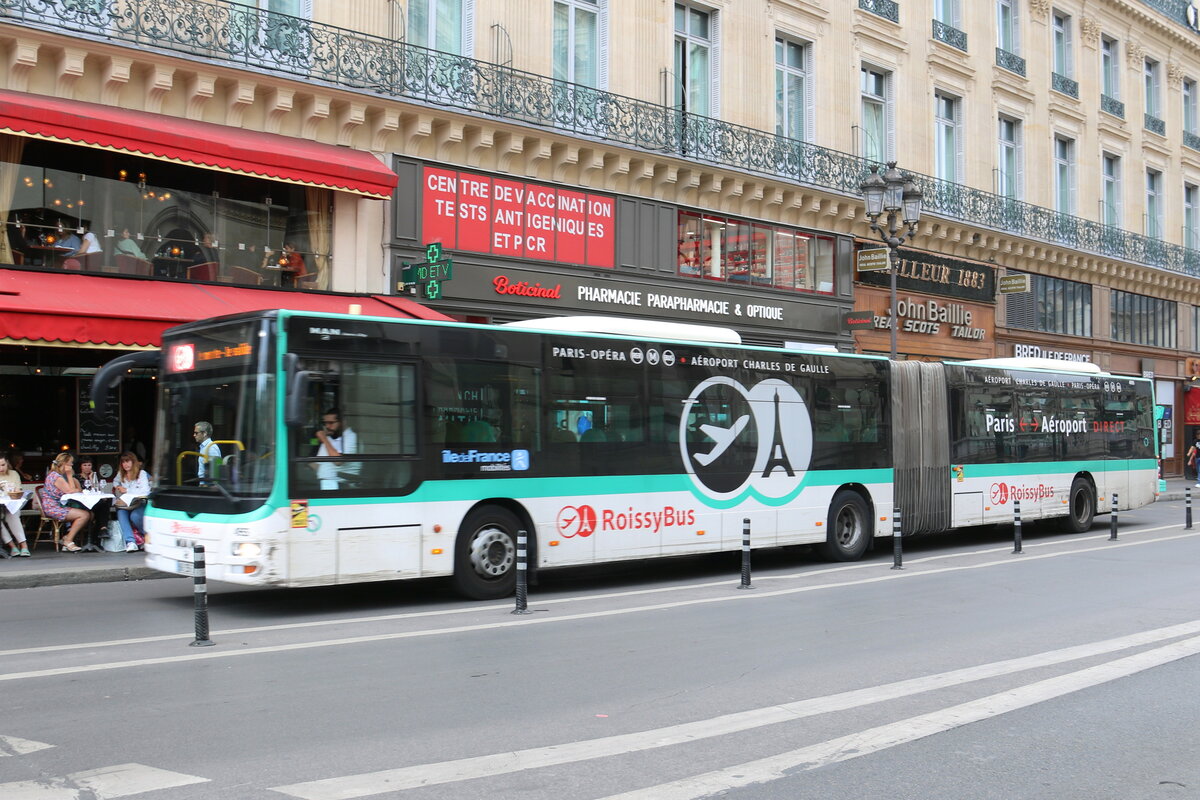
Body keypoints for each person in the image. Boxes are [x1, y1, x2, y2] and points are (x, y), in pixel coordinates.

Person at [42, 452, 91, 553]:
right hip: (53, 508)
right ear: (64, 464)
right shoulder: (56, 477)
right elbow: (71, 490)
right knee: (84, 515)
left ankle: (67, 537)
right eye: (70, 463)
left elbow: (73, 490)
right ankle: (68, 540)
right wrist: (69, 474)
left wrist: (76, 488)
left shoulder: (55, 474)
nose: (72, 465)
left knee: (89, 513)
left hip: (58, 505)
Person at [113, 451, 151, 552]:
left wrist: (127, 490)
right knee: (120, 511)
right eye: (123, 462)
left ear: (133, 462)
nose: (125, 464)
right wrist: (118, 486)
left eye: (128, 461)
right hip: (127, 503)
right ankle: (130, 542)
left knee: (135, 516)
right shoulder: (121, 474)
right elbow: (115, 481)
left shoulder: (141, 473)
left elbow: (145, 490)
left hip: (140, 502)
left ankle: (148, 537)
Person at [312, 408, 358, 490]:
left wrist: (324, 439)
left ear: (343, 422)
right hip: (323, 483)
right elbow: (316, 465)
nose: (327, 426)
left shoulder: (351, 437)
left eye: (331, 423)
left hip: (340, 484)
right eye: (325, 423)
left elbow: (338, 461)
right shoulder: (330, 439)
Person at [0, 455, 29, 557]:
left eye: (3, 465)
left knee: (11, 515)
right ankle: (12, 546)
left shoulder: (14, 474)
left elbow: (18, 490)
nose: (1, 468)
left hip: (12, 504)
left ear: (7, 463)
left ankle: (24, 545)